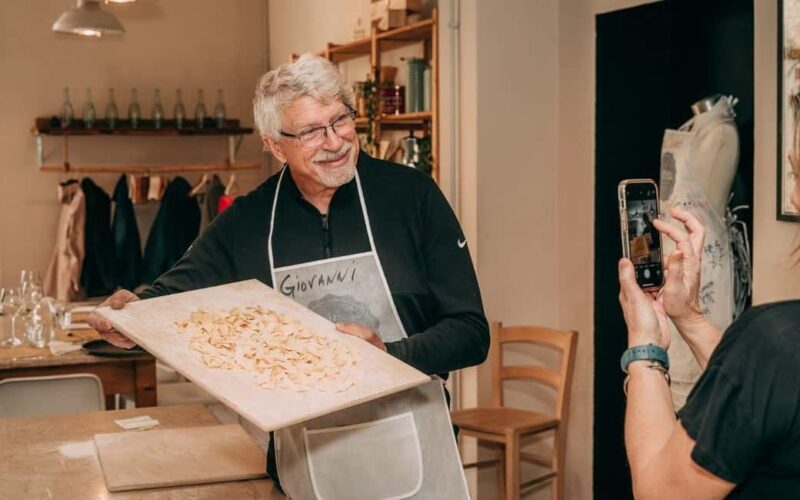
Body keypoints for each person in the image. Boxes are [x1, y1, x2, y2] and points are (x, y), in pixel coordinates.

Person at [88, 54, 488, 495]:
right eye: (312, 132)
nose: (335, 142)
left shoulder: (412, 198)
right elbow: (174, 291)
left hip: (412, 445)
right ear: (276, 145)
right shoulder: (250, 219)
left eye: (340, 121)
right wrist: (132, 314)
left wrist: (387, 354)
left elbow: (471, 332)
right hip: (302, 462)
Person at [618, 174, 800, 498]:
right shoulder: (775, 349)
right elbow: (766, 388)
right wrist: (688, 317)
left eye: (797, 174)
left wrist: (644, 346)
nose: (794, 195)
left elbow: (658, 492)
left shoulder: (769, 342)